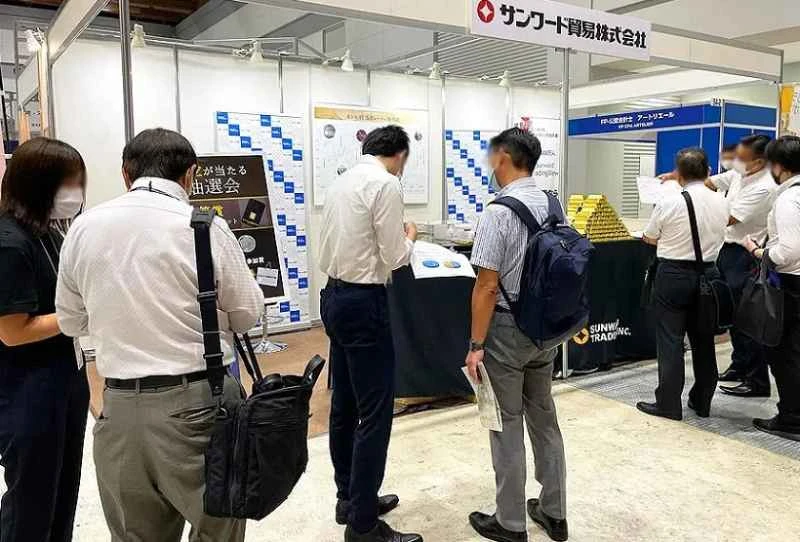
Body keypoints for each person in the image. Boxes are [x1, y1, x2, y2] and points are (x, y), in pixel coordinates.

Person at [55, 128, 263, 542]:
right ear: (191, 175)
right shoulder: (206, 228)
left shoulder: (83, 228)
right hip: (200, 405)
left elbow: (71, 323)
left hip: (117, 408)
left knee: (136, 535)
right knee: (217, 527)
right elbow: (247, 315)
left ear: (125, 173)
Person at [318, 125, 422, 542]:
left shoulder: (342, 181)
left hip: (333, 296)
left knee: (344, 405)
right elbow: (395, 256)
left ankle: (350, 499)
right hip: (364, 302)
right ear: (399, 155)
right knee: (375, 412)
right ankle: (363, 525)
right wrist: (410, 237)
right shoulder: (385, 184)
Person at [465, 127, 568, 542]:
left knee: (505, 422)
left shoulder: (498, 212)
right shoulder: (552, 203)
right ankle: (554, 512)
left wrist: (476, 345)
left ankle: (509, 522)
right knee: (543, 417)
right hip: (546, 328)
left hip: (507, 329)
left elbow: (486, 286)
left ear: (504, 157)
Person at [0, 138, 90, 542]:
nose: (76, 194)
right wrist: (81, 314)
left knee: (61, 495)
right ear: (39, 184)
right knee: (31, 505)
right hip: (28, 390)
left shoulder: (47, 233)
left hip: (64, 379)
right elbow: (12, 331)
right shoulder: (9, 242)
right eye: (69, 184)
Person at [637, 148, 729, 421]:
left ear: (679, 174)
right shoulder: (722, 201)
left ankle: (668, 403)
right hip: (709, 274)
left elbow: (650, 237)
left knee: (671, 340)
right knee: (704, 340)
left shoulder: (670, 201)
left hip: (673, 275)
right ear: (708, 171)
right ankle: (702, 400)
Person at [744, 135, 800, 441]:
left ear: (779, 166)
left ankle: (791, 418)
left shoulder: (788, 200)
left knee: (784, 353)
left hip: (790, 285)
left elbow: (788, 251)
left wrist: (758, 251)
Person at [716, 135, 777, 397]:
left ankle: (757, 381)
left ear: (760, 161)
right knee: (732, 316)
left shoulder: (764, 187)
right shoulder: (741, 174)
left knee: (748, 319)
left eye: (742, 158)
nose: (735, 161)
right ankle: (739, 365)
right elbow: (713, 181)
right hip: (728, 252)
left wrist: (697, 209)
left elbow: (729, 218)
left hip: (746, 256)